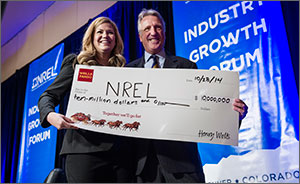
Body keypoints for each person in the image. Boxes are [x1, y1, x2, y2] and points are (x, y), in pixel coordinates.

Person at [126, 9, 248, 183]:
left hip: (183, 166)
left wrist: (232, 115)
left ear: (165, 33)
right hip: (143, 169)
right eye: (147, 29)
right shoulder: (127, 72)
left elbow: (205, 109)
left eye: (158, 27)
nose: (153, 32)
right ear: (140, 36)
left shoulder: (186, 66)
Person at [38, 17, 135, 183]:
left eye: (110, 32)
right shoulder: (76, 64)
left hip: (120, 154)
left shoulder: (124, 72)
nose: (106, 36)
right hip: (83, 152)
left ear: (116, 39)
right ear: (91, 37)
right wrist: (51, 115)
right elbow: (48, 96)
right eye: (100, 32)